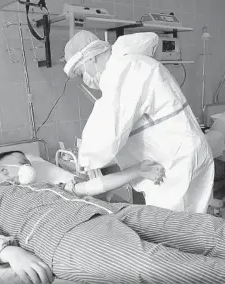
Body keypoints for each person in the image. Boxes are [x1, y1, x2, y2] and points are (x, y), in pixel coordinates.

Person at [0, 151, 225, 284]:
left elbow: (93, 187)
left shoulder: (50, 186)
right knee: (150, 265)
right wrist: (9, 253)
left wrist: (137, 170)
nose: (28, 167)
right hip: (62, 235)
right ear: (2, 173)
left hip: (113, 211)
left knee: (203, 229)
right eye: (20, 162)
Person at [63, 30, 215, 213]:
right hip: (181, 153)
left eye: (81, 74)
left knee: (174, 230)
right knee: (193, 224)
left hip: (177, 161)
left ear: (90, 59)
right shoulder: (132, 64)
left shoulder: (124, 70)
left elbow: (107, 134)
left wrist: (85, 161)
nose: (85, 80)